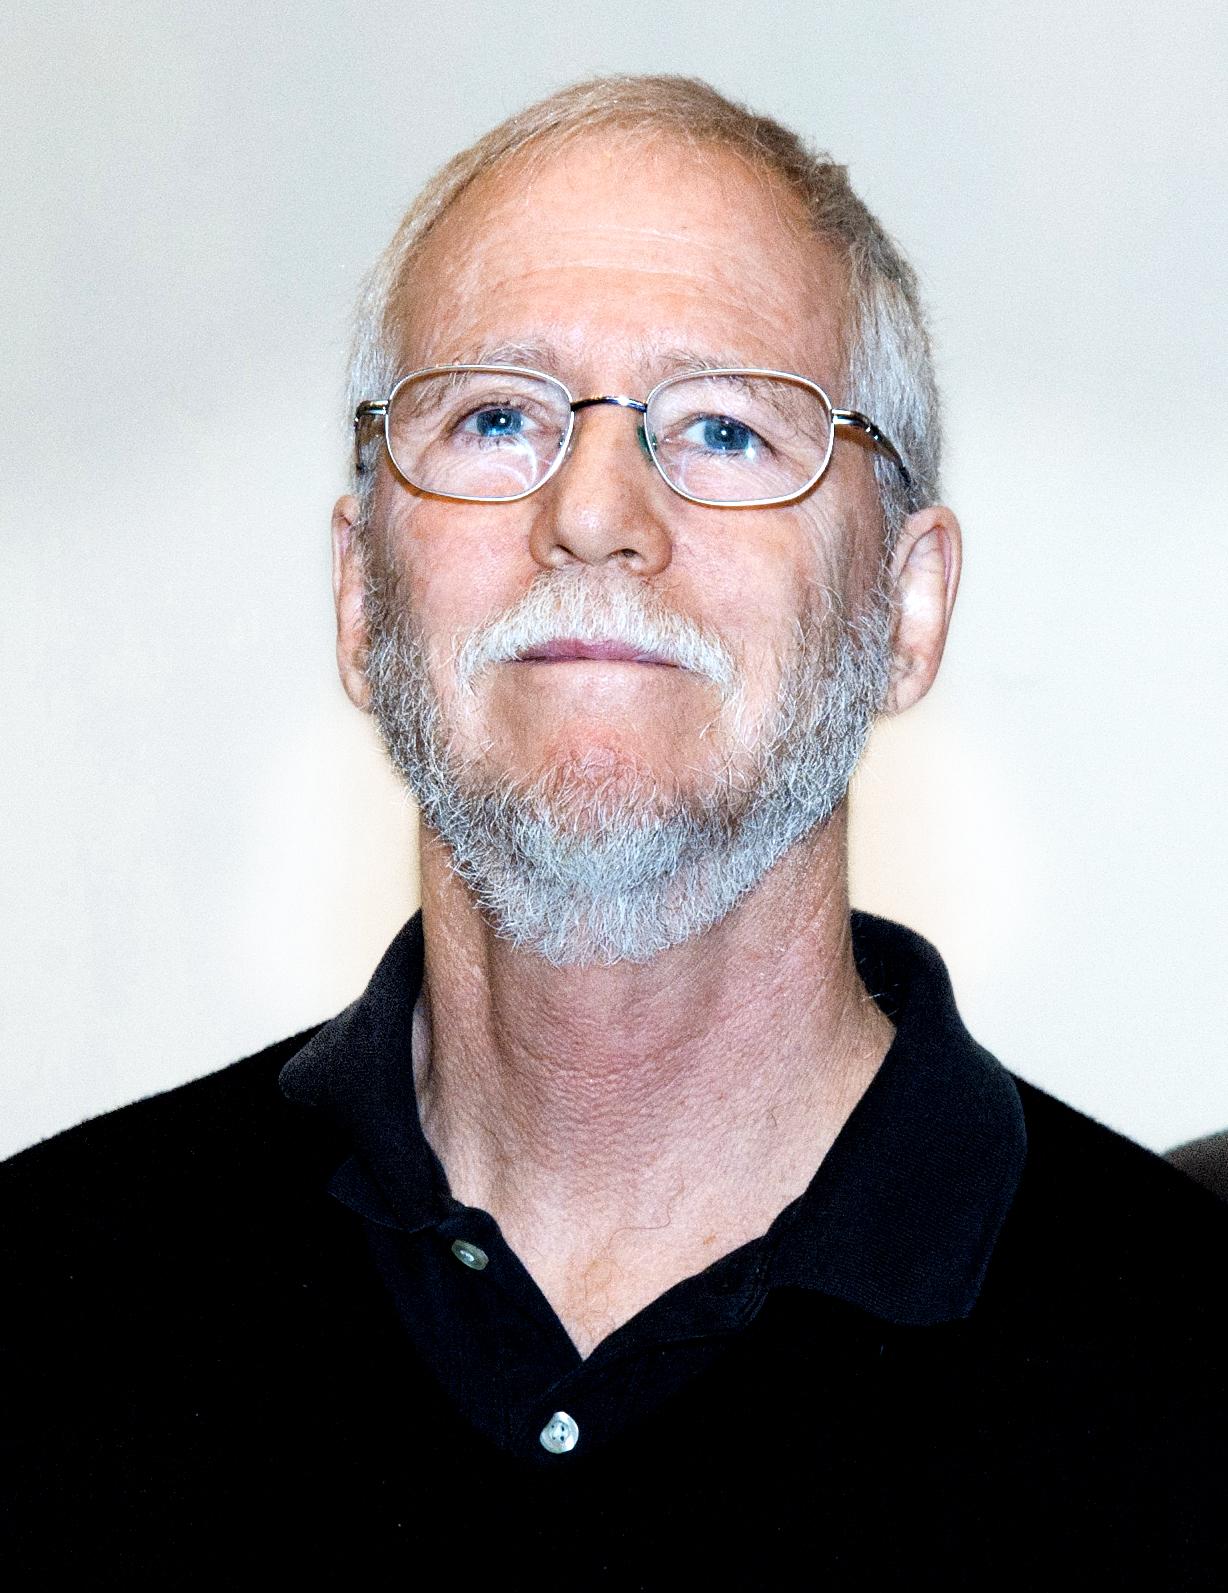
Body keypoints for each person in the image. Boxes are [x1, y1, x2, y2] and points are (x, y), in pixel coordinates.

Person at [4, 74, 1225, 1585]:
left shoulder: (1204, 1377)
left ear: (906, 609)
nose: (594, 508)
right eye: (497, 415)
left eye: (720, 427)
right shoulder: (37, 1312)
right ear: (358, 592)